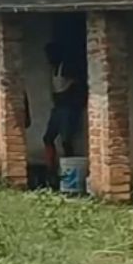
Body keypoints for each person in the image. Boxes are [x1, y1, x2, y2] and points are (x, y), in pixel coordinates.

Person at [43, 42, 83, 176]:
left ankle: (70, 170)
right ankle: (51, 168)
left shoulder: (66, 67)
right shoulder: (53, 69)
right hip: (58, 107)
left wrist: (68, 98)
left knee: (66, 140)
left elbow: (75, 86)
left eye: (50, 55)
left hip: (67, 107)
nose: (48, 58)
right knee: (48, 138)